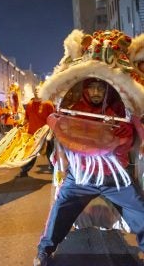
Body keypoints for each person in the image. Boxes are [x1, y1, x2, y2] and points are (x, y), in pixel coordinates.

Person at [33, 78, 144, 265]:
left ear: (107, 90)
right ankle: (44, 250)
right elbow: (61, 129)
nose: (96, 92)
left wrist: (108, 137)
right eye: (92, 87)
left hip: (113, 177)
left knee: (139, 211)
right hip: (81, 176)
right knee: (60, 210)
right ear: (85, 89)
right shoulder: (74, 109)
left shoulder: (118, 110)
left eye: (100, 88)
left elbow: (125, 140)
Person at [19, 86, 54, 177]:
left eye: (39, 90)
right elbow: (27, 118)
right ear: (33, 92)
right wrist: (21, 125)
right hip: (33, 134)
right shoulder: (29, 104)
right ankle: (24, 170)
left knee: (50, 152)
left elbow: (53, 118)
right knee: (31, 153)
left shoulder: (48, 104)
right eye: (35, 90)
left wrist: (52, 131)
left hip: (46, 133)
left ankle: (55, 170)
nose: (37, 91)